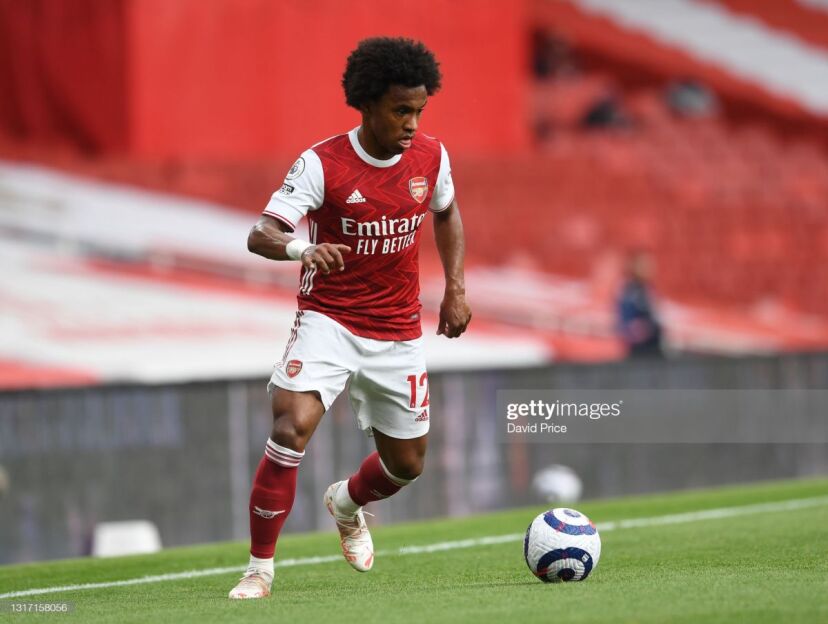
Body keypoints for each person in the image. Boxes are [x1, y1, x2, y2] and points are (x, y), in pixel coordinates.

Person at [228, 37, 472, 599]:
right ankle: (259, 570)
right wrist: (302, 249)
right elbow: (261, 234)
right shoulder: (322, 163)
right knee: (289, 427)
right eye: (400, 110)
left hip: (398, 331)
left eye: (419, 111)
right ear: (366, 104)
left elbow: (446, 211)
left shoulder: (431, 157)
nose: (412, 124)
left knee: (407, 465)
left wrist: (455, 289)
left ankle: (346, 502)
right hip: (329, 320)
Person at [616, 252, 663, 358]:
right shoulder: (630, 290)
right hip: (638, 346)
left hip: (652, 342)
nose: (648, 268)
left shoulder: (649, 288)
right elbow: (626, 319)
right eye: (643, 265)